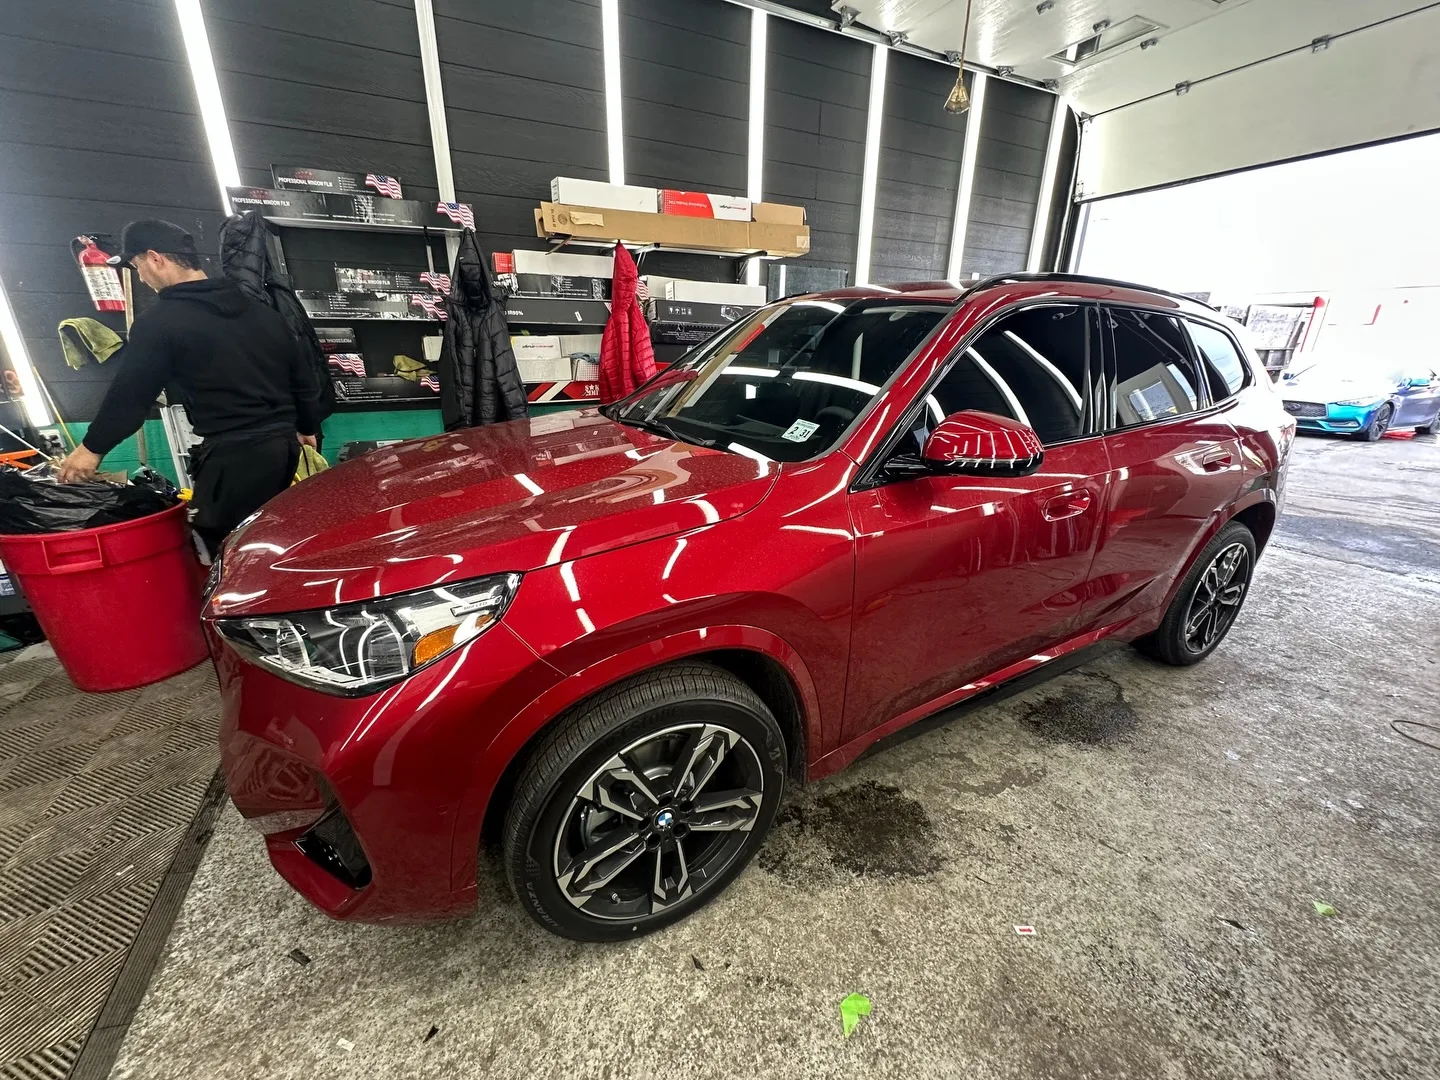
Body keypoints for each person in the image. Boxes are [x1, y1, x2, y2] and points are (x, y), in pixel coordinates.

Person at [57, 220, 321, 555]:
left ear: (155, 258)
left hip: (234, 461)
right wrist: (307, 426)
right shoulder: (261, 312)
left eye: (137, 266)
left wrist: (90, 449)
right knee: (280, 542)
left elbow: (131, 398)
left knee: (227, 551)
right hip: (284, 451)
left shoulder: (159, 323)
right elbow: (303, 376)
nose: (141, 277)